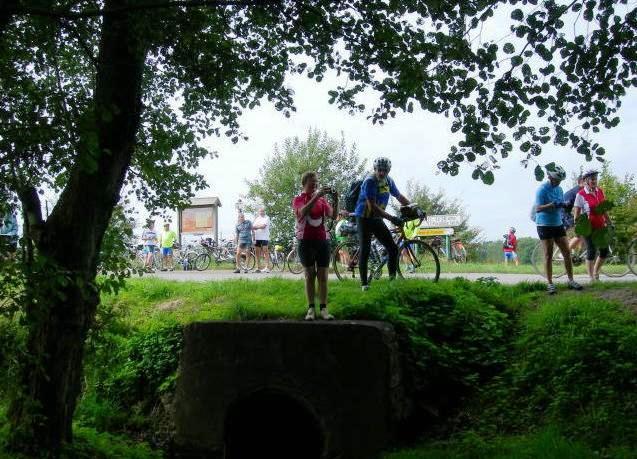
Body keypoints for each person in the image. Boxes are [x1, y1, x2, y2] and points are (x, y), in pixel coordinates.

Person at [353, 156, 411, 291]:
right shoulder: (370, 181)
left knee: (393, 249)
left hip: (376, 218)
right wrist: (392, 218)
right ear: (375, 169)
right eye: (379, 170)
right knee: (365, 249)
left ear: (388, 170)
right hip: (364, 218)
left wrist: (414, 207)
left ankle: (392, 282)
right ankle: (364, 284)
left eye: (385, 170)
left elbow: (399, 196)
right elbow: (372, 207)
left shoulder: (388, 181)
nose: (382, 173)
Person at [292, 171, 338, 320]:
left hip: (323, 241)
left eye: (317, 181)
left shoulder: (322, 200)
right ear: (304, 183)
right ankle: (311, 309)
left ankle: (324, 309)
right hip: (305, 241)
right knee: (309, 276)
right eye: (313, 181)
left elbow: (333, 215)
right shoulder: (298, 199)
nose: (316, 184)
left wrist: (336, 200)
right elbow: (302, 212)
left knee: (323, 276)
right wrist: (316, 197)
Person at [534, 165, 583, 294]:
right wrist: (552, 204)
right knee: (548, 255)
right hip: (544, 224)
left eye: (560, 180)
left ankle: (571, 280)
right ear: (550, 177)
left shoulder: (560, 189)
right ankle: (550, 284)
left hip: (557, 223)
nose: (559, 182)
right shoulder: (542, 190)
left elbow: (560, 203)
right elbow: (538, 208)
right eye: (557, 180)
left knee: (567, 252)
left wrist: (564, 205)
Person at [573, 169, 611, 282]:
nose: (594, 181)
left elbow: (604, 209)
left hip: (600, 226)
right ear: (586, 181)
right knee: (591, 251)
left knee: (604, 251)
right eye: (592, 179)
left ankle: (596, 272)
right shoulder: (580, 195)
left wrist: (609, 222)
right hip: (588, 227)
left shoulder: (600, 191)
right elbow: (576, 214)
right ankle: (591, 278)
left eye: (595, 179)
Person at [563, 174, 585, 251]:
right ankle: (564, 253)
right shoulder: (578, 191)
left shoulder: (578, 190)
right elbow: (579, 207)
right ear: (580, 182)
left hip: (565, 213)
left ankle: (577, 251)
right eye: (585, 181)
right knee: (581, 232)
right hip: (564, 215)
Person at [252, 207, 272, 273]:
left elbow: (263, 226)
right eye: (260, 211)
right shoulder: (257, 218)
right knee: (257, 252)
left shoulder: (267, 218)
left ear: (264, 211)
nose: (261, 212)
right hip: (257, 237)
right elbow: (253, 227)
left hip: (264, 237)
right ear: (258, 212)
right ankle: (258, 267)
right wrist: (258, 226)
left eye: (262, 211)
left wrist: (257, 226)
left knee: (265, 251)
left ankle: (267, 267)